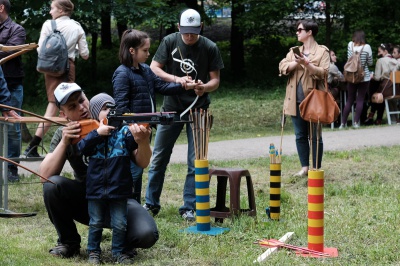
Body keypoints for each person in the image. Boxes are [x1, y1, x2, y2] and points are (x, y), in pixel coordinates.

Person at [39, 82, 159, 260]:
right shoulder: (65, 134)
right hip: (89, 198)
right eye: (73, 106)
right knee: (52, 186)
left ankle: (122, 243)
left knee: (147, 234)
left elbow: (143, 162)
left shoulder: (116, 125)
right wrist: (64, 142)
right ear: (63, 114)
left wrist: (142, 141)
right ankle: (69, 242)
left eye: (82, 100)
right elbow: (44, 176)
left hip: (119, 198)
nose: (81, 108)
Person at [144, 8, 224, 221]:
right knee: (159, 156)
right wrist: (176, 80)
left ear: (200, 28)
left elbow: (215, 80)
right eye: (185, 31)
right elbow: (154, 68)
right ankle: (151, 204)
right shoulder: (170, 41)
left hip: (199, 109)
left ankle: (189, 206)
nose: (189, 36)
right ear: (179, 27)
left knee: (195, 159)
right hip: (171, 108)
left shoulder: (209, 47)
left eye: (193, 32)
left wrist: (203, 87)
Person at [112, 29, 192, 204]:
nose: (149, 54)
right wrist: (132, 128)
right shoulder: (122, 73)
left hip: (144, 130)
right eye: (145, 50)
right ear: (132, 50)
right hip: (130, 133)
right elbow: (122, 109)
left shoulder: (146, 70)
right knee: (132, 171)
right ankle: (129, 207)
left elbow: (162, 88)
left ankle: (136, 208)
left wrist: (183, 84)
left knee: (139, 169)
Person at [78, 93, 150, 264]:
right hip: (95, 190)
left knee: (120, 224)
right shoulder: (92, 132)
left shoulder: (124, 132)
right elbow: (82, 147)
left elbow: (138, 151)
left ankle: (118, 252)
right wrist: (97, 133)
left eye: (112, 107)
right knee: (95, 222)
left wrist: (142, 137)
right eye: (105, 108)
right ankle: (93, 252)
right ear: (95, 114)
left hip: (120, 189)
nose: (110, 111)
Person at [24, 0, 89, 158]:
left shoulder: (48, 25)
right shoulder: (77, 27)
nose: (50, 12)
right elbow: (85, 55)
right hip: (67, 68)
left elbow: (40, 50)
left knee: (60, 105)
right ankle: (33, 147)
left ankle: (34, 147)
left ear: (61, 10)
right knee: (67, 104)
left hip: (51, 70)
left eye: (52, 8)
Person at [278, 19, 330, 177]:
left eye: (300, 30)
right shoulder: (294, 51)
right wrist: (296, 62)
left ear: (309, 32)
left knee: (315, 136)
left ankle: (315, 167)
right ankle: (305, 167)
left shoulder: (322, 51)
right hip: (294, 100)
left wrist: (307, 64)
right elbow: (282, 67)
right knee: (300, 135)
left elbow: (324, 72)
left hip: (314, 100)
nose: (297, 32)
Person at [0, 0, 26, 182]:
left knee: (13, 128)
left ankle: (12, 170)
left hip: (12, 86)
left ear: (1, 7)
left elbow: (7, 54)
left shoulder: (17, 30)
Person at [339, 30, 373, 129]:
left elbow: (349, 59)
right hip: (364, 76)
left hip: (351, 76)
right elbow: (370, 63)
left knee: (349, 99)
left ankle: (343, 123)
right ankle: (356, 122)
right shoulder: (367, 47)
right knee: (360, 99)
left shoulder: (350, 45)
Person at [365, 43, 398, 125]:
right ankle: (389, 118)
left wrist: (372, 76)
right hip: (397, 88)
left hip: (387, 88)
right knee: (378, 92)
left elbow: (377, 77)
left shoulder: (380, 61)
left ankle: (371, 116)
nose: (378, 53)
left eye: (379, 51)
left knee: (376, 93)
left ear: (385, 51)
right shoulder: (396, 60)